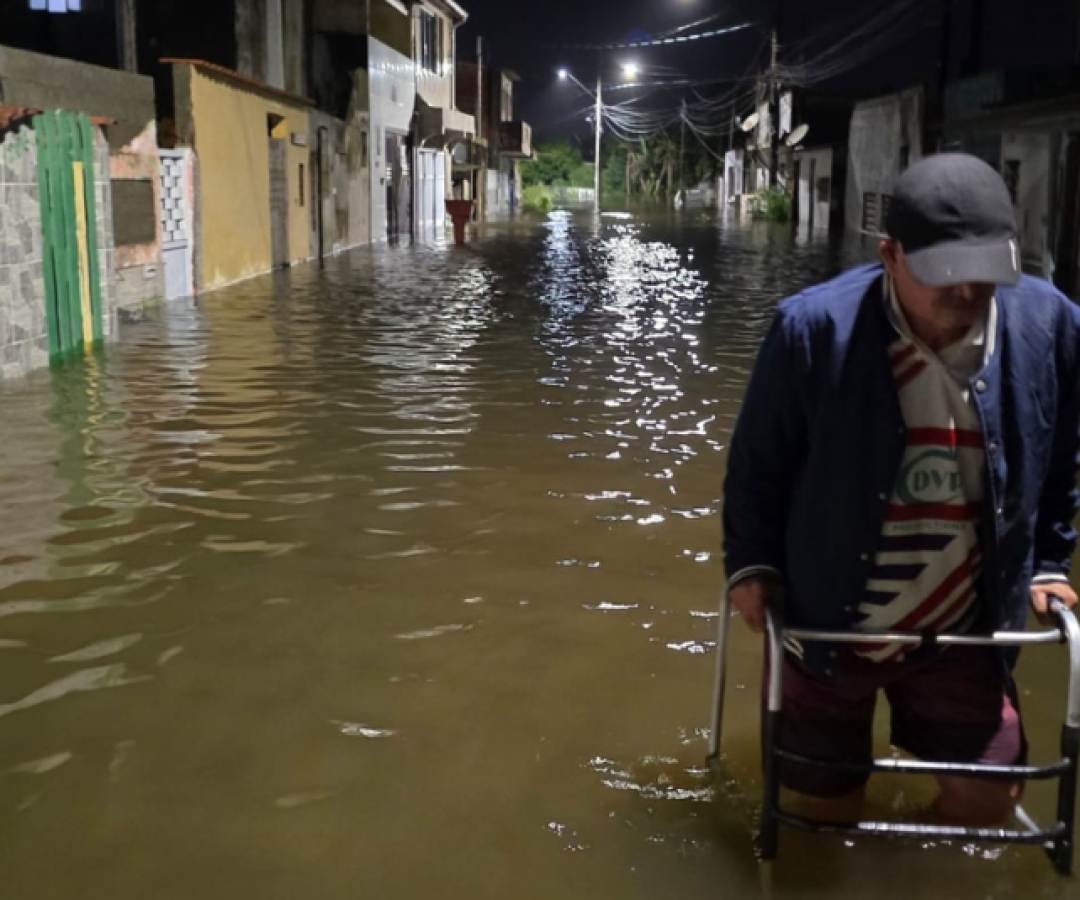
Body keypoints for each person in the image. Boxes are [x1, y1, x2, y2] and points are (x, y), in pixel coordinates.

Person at [722, 153, 1080, 827]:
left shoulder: (1051, 326)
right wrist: (751, 564)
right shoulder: (812, 331)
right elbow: (757, 466)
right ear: (890, 255)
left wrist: (1052, 560)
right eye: (946, 274)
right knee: (824, 819)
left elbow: (1061, 453)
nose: (968, 294)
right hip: (832, 619)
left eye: (986, 274)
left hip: (964, 629)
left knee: (989, 806)